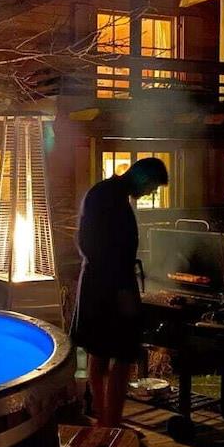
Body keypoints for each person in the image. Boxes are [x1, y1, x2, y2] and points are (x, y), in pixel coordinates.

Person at [70, 157, 168, 427]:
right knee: (121, 355)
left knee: (100, 351)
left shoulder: (107, 193)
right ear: (143, 178)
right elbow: (92, 244)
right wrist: (122, 289)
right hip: (110, 287)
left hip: (100, 283)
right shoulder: (108, 197)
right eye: (152, 187)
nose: (150, 193)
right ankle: (110, 421)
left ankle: (105, 418)